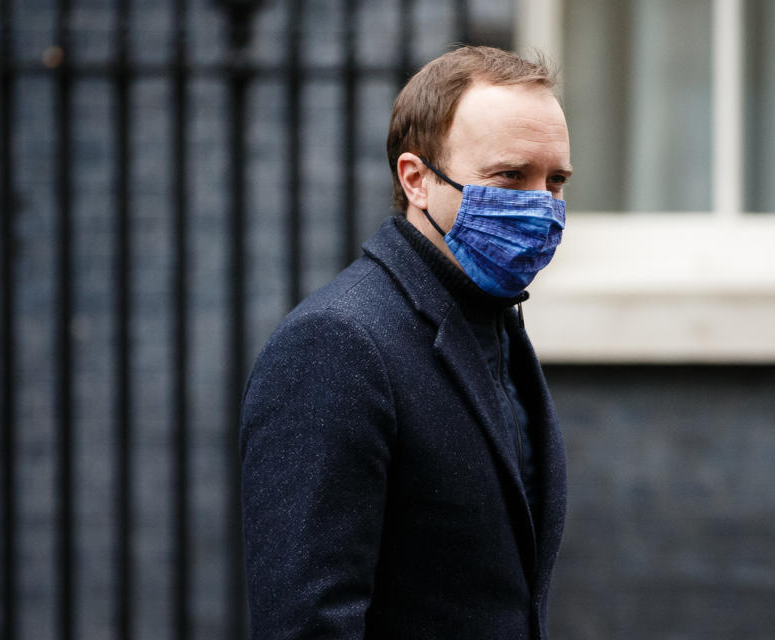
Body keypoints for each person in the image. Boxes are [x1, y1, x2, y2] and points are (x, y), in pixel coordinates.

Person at [240, 45, 572, 639]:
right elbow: (308, 624)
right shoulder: (336, 344)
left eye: (555, 181)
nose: (540, 206)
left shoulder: (494, 324)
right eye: (509, 177)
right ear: (416, 179)